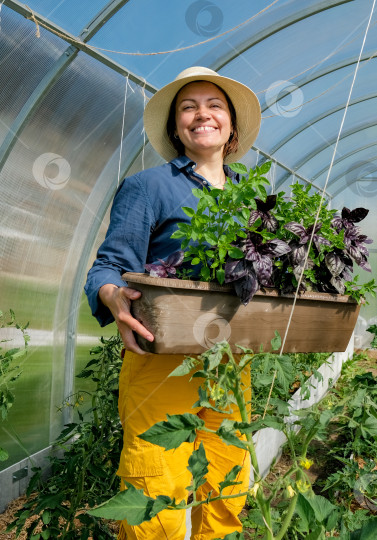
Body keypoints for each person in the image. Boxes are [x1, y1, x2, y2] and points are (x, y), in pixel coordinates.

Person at [84, 66, 261, 539]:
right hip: (160, 360)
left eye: (213, 105)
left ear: (231, 127)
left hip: (230, 362)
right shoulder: (149, 188)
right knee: (155, 489)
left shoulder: (252, 198)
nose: (201, 114)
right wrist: (113, 296)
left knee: (226, 484)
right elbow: (108, 267)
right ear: (176, 127)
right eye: (188, 107)